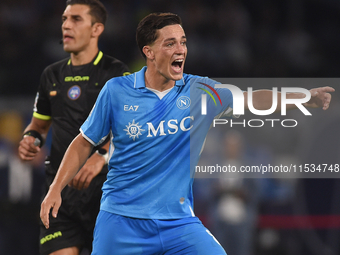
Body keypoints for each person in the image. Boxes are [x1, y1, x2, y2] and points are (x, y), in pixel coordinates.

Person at [40, 12, 334, 255]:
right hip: (121, 221)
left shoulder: (200, 91)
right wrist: (55, 190)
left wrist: (305, 97)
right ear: (149, 52)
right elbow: (84, 142)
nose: (180, 49)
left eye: (183, 42)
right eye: (170, 44)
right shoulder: (116, 91)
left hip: (178, 224)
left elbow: (254, 99)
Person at [18, 0, 129, 254]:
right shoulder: (51, 75)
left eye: (76, 19)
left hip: (105, 194)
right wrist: (31, 139)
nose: (66, 25)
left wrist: (101, 156)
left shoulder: (116, 73)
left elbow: (129, 129)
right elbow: (39, 124)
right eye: (64, 19)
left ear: (96, 29)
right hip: (59, 193)